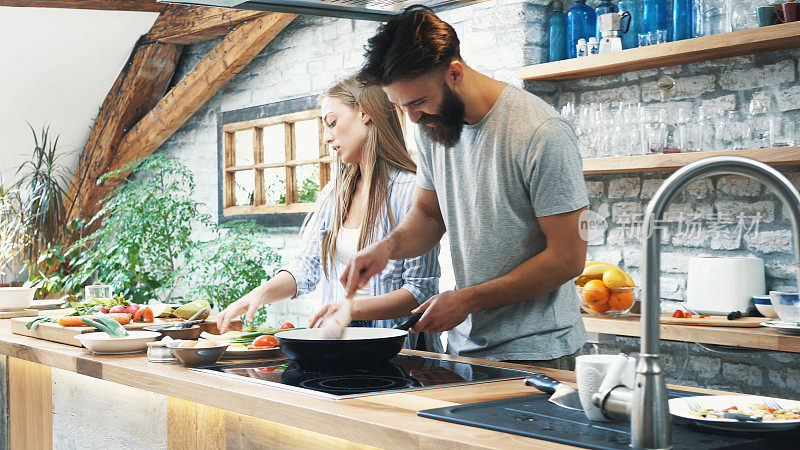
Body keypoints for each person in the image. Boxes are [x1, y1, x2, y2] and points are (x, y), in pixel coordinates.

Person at [340, 6, 589, 370]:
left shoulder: (541, 133)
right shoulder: (431, 127)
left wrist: (466, 300)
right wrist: (386, 248)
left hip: (539, 352)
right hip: (464, 347)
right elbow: (428, 215)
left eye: (419, 102)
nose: (412, 117)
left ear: (454, 72)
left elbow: (568, 258)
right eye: (400, 106)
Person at [216, 76, 442, 352]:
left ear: (365, 114)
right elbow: (305, 268)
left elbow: (419, 291)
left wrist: (350, 309)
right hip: (340, 347)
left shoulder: (412, 191)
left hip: (399, 353)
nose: (326, 137)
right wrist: (258, 295)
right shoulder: (333, 195)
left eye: (332, 122)